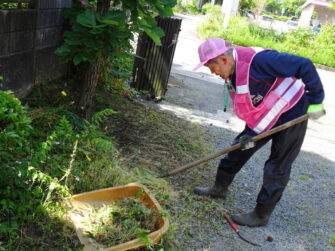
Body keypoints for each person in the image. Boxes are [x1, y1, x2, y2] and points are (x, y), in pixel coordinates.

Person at [192, 38, 325, 227]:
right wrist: (250, 132)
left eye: (210, 67)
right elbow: (250, 104)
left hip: (292, 111)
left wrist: (316, 100)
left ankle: (261, 214)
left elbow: (304, 64)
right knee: (240, 147)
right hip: (266, 118)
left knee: (277, 165)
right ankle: (219, 188)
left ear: (222, 60)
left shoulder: (260, 60)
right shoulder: (234, 73)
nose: (213, 73)